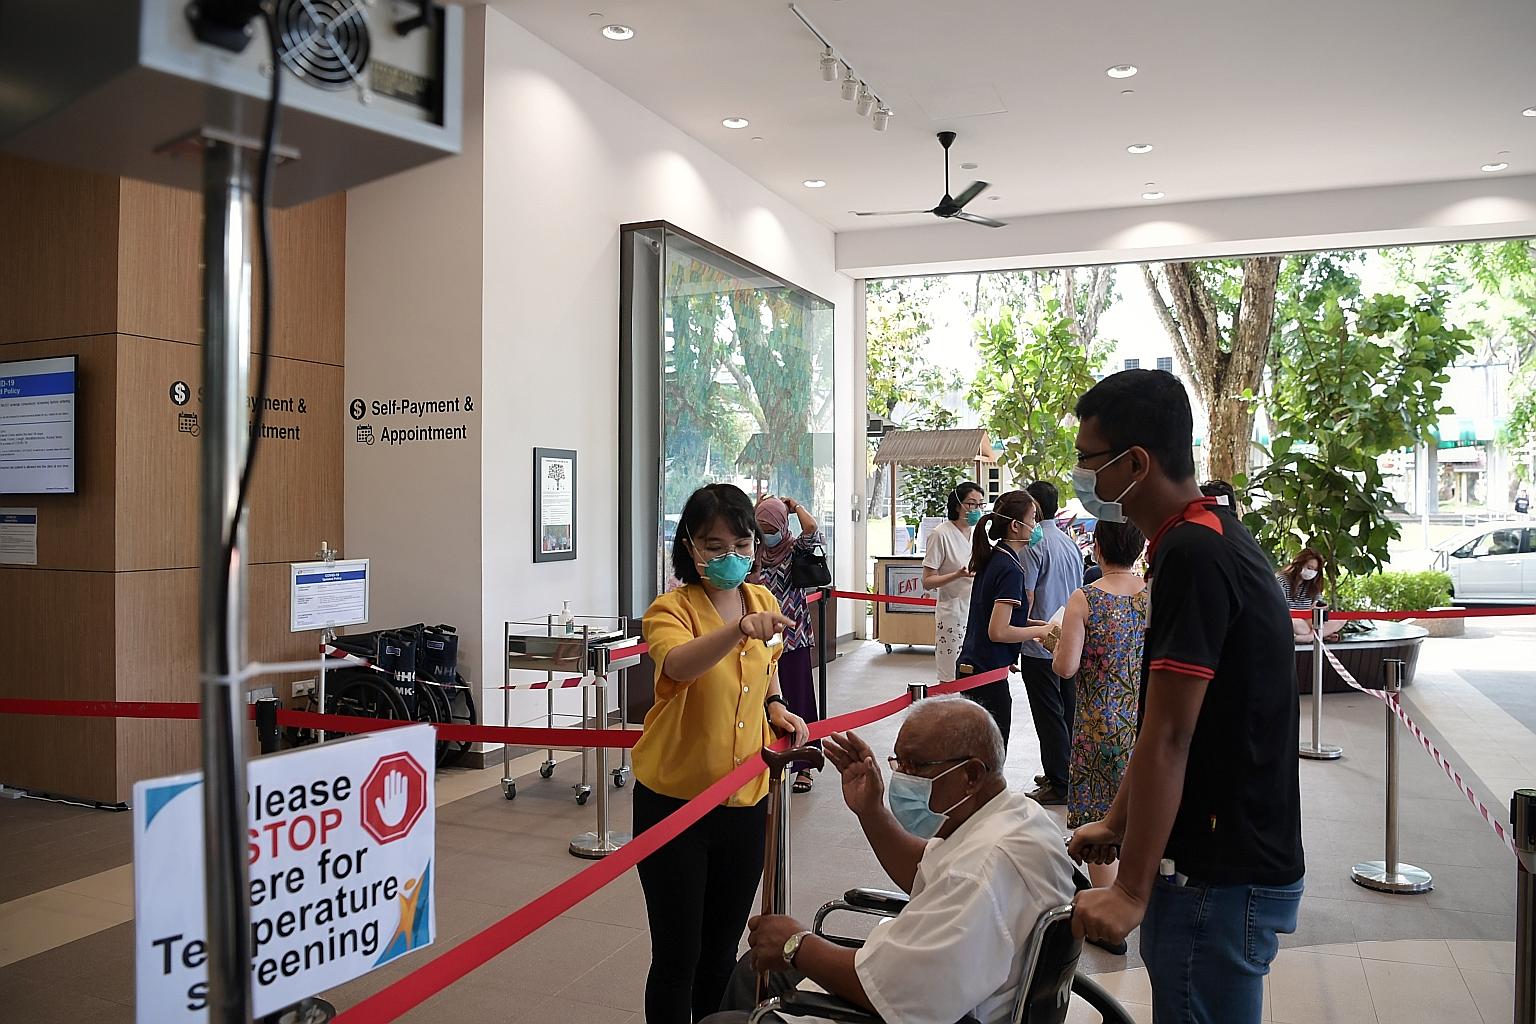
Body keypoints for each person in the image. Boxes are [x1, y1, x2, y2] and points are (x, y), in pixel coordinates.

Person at [1066, 369, 1304, 1024]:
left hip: (1216, 873)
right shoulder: (1200, 537)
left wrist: (1132, 891)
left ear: (1135, 463)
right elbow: (1163, 724)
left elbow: (1173, 736)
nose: (1082, 478)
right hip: (1220, 860)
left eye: (1088, 460)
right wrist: (1115, 825)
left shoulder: (1195, 555)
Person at [699, 697, 1078, 1024]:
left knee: (725, 1020)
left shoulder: (979, 872)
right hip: (940, 980)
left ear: (971, 775)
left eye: (916, 766)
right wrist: (872, 811)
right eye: (900, 764)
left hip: (928, 1005)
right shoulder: (1012, 815)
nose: (904, 778)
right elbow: (924, 870)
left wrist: (797, 944)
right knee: (752, 975)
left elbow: (893, 993)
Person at [632, 483, 811, 1024]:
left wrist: (776, 705)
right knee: (677, 955)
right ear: (689, 546)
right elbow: (679, 667)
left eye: (741, 543)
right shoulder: (671, 610)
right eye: (713, 545)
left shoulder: (764, 601)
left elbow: (768, 662)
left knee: (720, 951)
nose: (729, 556)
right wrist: (734, 631)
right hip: (674, 804)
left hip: (744, 800)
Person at [1049, 520, 1148, 947]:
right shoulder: (1153, 594)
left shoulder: (1084, 598)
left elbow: (1065, 667)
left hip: (1097, 725)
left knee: (1097, 817)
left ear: (1099, 547)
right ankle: (1140, 902)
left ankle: (1108, 919)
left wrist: (1056, 640)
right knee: (1141, 811)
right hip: (1144, 721)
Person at [954, 490, 1054, 749]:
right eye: (1032, 519)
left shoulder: (995, 558)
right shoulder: (1009, 569)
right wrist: (1037, 634)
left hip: (975, 667)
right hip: (985, 676)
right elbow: (998, 631)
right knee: (989, 757)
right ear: (1015, 525)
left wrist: (1035, 625)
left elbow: (996, 617)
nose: (1035, 526)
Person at [752, 494, 826, 792]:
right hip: (759, 638)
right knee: (766, 701)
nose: (766, 535)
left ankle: (805, 765)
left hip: (793, 637)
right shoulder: (753, 551)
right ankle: (771, 758)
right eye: (761, 528)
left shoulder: (795, 548)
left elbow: (812, 530)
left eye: (771, 528)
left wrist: (794, 507)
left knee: (798, 696)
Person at [1018, 480, 1085, 806]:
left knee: (1048, 714)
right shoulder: (1069, 543)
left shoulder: (1035, 545)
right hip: (1068, 638)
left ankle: (1059, 783)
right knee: (1067, 710)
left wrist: (1018, 632)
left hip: (1040, 641)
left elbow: (1028, 596)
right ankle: (1064, 772)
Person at [922, 482, 985, 682]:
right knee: (951, 673)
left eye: (980, 504)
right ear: (958, 505)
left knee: (975, 671)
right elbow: (928, 581)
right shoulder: (941, 534)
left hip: (977, 611)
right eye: (971, 504)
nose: (976, 509)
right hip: (953, 613)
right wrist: (958, 574)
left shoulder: (979, 534)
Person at [1277, 547, 1343, 641]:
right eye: (1309, 568)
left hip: (1310, 621)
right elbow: (1280, 608)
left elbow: (1318, 603)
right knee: (1297, 624)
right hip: (1291, 619)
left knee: (1340, 619)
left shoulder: (1313, 584)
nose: (1311, 572)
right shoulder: (1281, 580)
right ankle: (1320, 635)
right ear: (1299, 564)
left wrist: (1320, 607)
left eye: (1315, 570)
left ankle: (1310, 637)